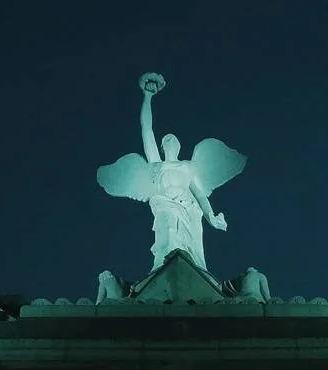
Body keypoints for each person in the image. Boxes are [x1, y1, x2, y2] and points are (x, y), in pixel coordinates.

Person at [97, 72, 245, 273]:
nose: (170, 140)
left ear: (179, 145)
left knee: (193, 254)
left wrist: (211, 216)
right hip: (166, 205)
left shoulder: (188, 166)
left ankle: (195, 271)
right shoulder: (156, 164)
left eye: (173, 139)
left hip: (189, 208)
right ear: (162, 146)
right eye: (166, 139)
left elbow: (200, 194)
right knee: (168, 241)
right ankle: (164, 268)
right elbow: (146, 129)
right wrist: (147, 97)